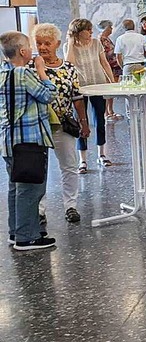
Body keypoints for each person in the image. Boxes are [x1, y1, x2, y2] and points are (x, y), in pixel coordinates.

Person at [0, 31, 57, 250]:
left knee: (16, 187)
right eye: (30, 46)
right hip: (30, 141)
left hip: (8, 140)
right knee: (31, 189)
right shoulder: (23, 74)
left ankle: (16, 232)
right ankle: (27, 237)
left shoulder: (3, 72)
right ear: (23, 52)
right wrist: (42, 71)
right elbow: (48, 95)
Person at [31, 23, 90, 223]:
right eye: (39, 43)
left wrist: (84, 122)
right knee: (40, 167)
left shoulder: (69, 68)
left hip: (63, 124)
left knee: (69, 166)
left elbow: (77, 97)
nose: (42, 47)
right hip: (37, 125)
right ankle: (39, 209)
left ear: (56, 43)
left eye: (47, 43)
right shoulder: (30, 68)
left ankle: (71, 206)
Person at [64, 18, 115, 174]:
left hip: (98, 85)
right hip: (80, 87)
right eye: (88, 30)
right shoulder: (69, 46)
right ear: (79, 32)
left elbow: (104, 62)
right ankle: (83, 159)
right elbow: (69, 64)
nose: (91, 33)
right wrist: (71, 43)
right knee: (81, 121)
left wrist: (111, 80)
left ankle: (102, 153)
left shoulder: (96, 43)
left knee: (100, 118)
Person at [114, 19, 146, 120]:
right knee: (142, 89)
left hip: (127, 65)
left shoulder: (120, 38)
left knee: (128, 90)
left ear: (123, 28)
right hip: (140, 65)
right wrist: (140, 54)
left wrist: (123, 67)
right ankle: (143, 112)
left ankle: (130, 114)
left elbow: (118, 56)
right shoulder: (141, 37)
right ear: (134, 26)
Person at [98, 20, 122, 120]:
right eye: (110, 27)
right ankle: (107, 112)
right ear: (106, 28)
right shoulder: (101, 40)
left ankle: (111, 110)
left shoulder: (107, 39)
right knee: (108, 90)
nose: (112, 29)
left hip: (114, 67)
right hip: (108, 68)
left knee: (111, 90)